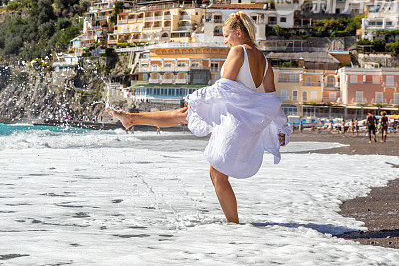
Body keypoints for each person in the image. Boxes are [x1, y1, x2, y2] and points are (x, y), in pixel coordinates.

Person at [107, 12, 290, 224]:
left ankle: (234, 225)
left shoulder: (238, 51)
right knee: (183, 115)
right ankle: (131, 118)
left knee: (217, 174)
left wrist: (198, 97)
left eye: (226, 35)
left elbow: (224, 87)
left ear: (238, 33)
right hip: (247, 121)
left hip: (236, 119)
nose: (225, 41)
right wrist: (281, 128)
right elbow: (272, 100)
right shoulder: (264, 61)